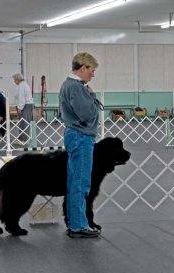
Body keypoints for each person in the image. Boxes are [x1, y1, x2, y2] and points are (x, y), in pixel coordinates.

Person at [59, 52, 103, 238]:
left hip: (73, 134)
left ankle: (75, 222)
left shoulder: (66, 85)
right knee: (81, 183)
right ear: (83, 68)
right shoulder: (77, 88)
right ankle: (78, 226)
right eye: (92, 70)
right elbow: (87, 114)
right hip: (81, 136)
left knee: (74, 182)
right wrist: (92, 96)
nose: (93, 74)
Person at [12, 73, 33, 144]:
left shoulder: (22, 86)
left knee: (24, 122)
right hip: (25, 105)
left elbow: (22, 98)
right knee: (22, 123)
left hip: (25, 106)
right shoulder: (23, 85)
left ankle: (24, 140)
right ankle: (21, 138)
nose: (14, 81)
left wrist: (19, 108)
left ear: (17, 80)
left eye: (14, 80)